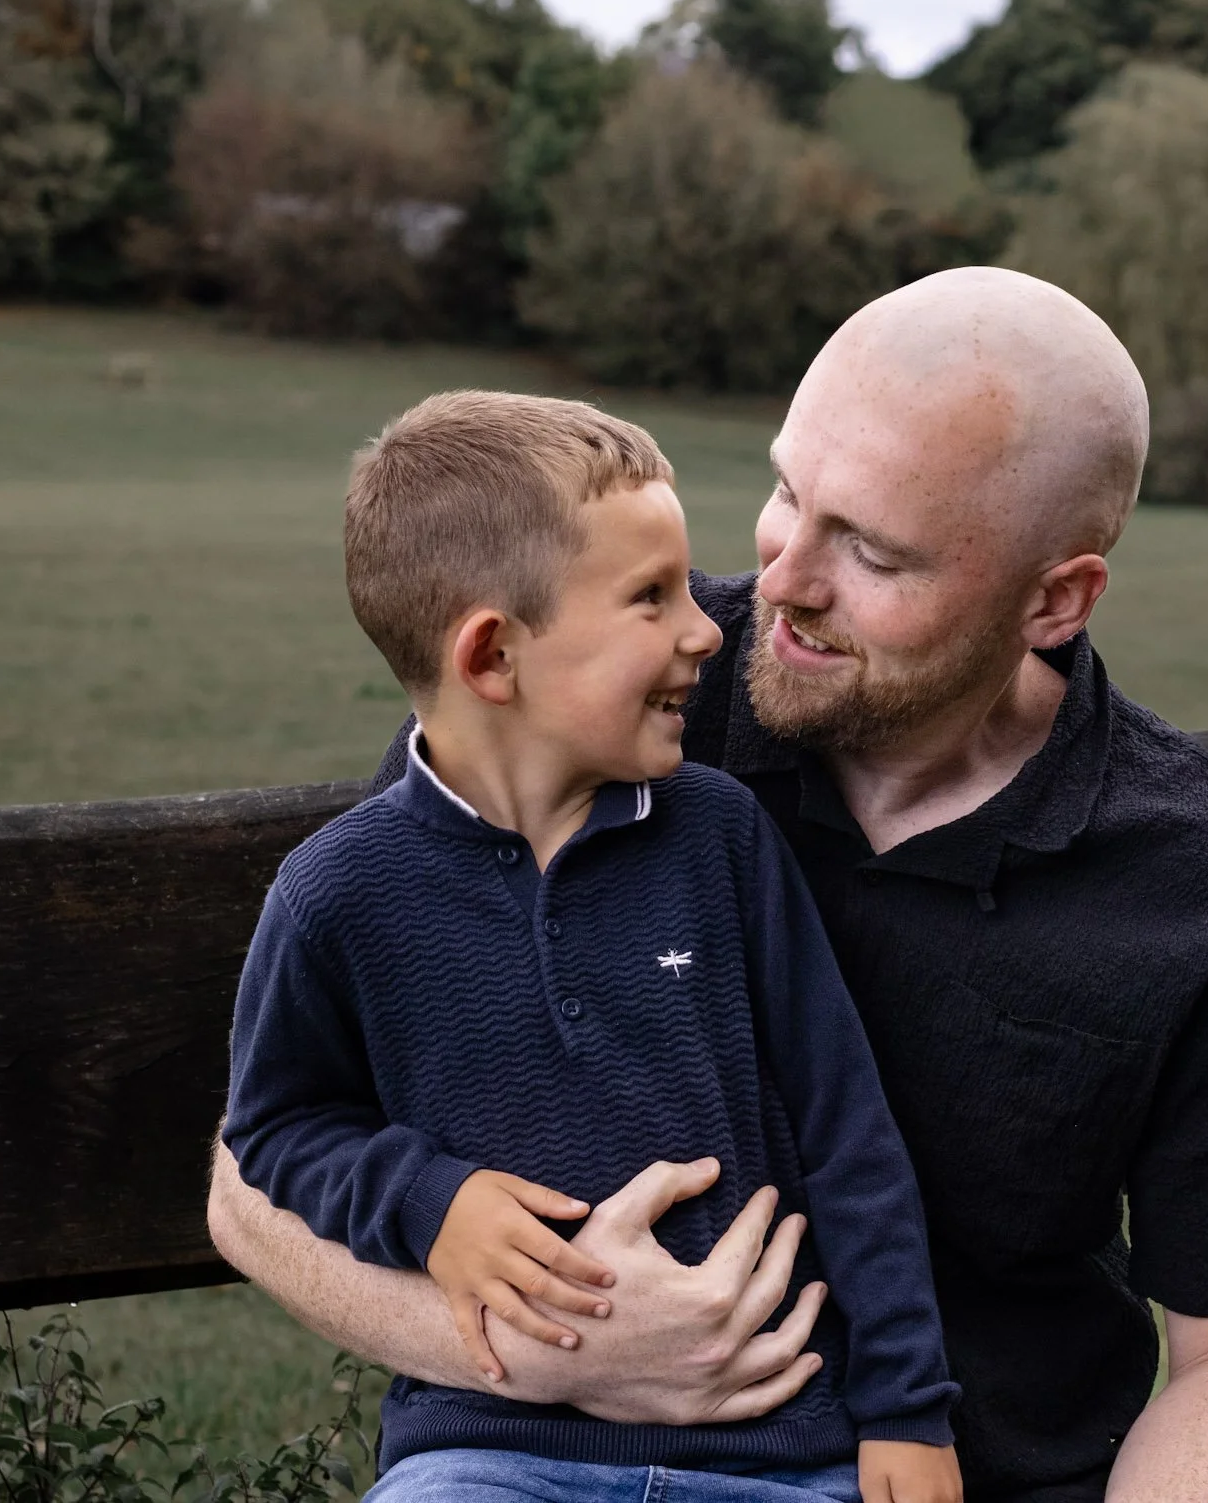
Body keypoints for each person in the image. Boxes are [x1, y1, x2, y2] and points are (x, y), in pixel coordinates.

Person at [210, 268, 1208, 1503]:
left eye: (871, 549)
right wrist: (555, 1355)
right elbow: (257, 1169)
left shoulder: (1201, 889)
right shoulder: (608, 698)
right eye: (785, 492)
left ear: (1055, 599)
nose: (776, 582)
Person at [221, 392, 961, 1503]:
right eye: (649, 598)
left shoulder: (720, 838)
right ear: (492, 654)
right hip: (483, 1457)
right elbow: (277, 1126)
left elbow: (847, 1131)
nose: (707, 628)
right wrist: (431, 1200)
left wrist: (908, 1411)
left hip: (782, 1456)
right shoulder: (339, 892)